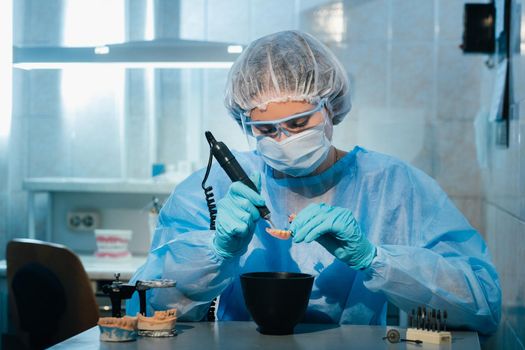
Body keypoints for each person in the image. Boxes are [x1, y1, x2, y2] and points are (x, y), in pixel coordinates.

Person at [126, 30, 501, 334]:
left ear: (331, 108)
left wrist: (376, 260)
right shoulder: (216, 187)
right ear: (244, 125)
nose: (284, 139)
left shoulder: (394, 187)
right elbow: (145, 307)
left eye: (298, 123)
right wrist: (216, 252)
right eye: (266, 129)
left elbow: (482, 302)